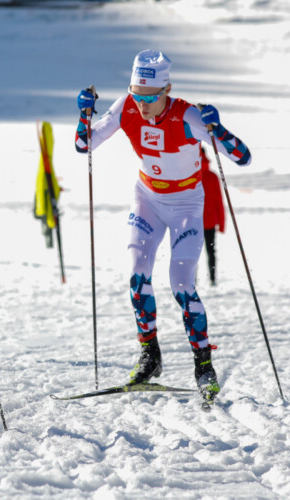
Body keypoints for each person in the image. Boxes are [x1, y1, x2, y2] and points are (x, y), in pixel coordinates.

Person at [74, 50, 251, 406]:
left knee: (182, 284)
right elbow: (84, 145)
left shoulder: (187, 116)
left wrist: (218, 127)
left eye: (149, 98)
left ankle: (204, 366)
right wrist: (84, 116)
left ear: (167, 90)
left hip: (187, 204)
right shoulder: (126, 106)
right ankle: (149, 356)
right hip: (148, 199)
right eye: (136, 94)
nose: (141, 105)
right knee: (137, 274)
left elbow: (242, 156)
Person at [200, 146, 225, 286]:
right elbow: (219, 201)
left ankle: (191, 280)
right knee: (211, 251)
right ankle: (212, 279)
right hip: (210, 222)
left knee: (192, 253)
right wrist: (221, 223)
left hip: (193, 222)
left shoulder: (189, 176)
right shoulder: (213, 176)